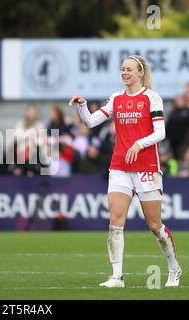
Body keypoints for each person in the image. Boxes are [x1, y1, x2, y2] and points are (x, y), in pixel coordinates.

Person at [69, 55, 181, 288]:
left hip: (146, 167)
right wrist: (82, 105)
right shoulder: (116, 98)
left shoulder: (152, 98)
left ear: (141, 73)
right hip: (119, 166)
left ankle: (174, 268)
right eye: (122, 69)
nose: (125, 73)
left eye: (129, 69)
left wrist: (138, 144)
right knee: (115, 222)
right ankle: (116, 276)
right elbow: (90, 122)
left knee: (154, 226)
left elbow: (160, 132)